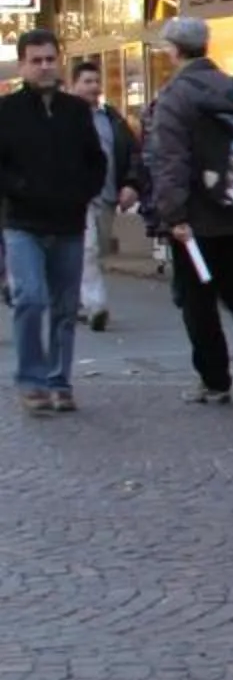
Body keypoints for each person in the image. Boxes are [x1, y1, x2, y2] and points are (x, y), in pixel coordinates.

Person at [146, 14, 233, 404]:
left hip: (197, 217)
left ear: (174, 50)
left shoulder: (176, 96)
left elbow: (170, 160)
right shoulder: (232, 86)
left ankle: (215, 380)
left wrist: (172, 215)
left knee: (197, 299)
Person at [0, 27, 106, 415]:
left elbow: (96, 160)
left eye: (50, 59)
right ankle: (31, 380)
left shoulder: (75, 110)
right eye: (36, 60)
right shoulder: (7, 111)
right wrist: (20, 188)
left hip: (68, 223)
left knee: (64, 308)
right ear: (22, 65)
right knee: (30, 298)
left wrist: (83, 192)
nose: (45, 66)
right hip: (23, 223)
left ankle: (59, 381)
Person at [68, 56, 138, 330]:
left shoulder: (112, 119)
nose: (94, 86)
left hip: (107, 196)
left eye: (97, 81)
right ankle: (96, 306)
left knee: (92, 251)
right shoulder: (63, 117)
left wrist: (131, 184)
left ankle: (74, 299)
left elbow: (132, 153)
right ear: (73, 85)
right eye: (87, 81)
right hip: (77, 198)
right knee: (88, 249)